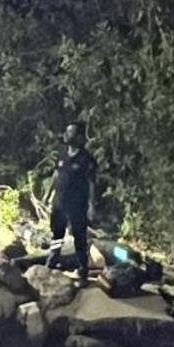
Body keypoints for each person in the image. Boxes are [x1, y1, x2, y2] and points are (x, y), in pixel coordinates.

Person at [47, 121, 98, 286]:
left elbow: (91, 183)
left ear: (79, 137)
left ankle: (83, 271)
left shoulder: (86, 159)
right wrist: (48, 194)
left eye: (70, 133)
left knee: (79, 237)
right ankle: (52, 264)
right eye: (66, 132)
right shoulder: (62, 155)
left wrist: (91, 205)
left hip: (77, 205)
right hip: (59, 202)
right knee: (56, 234)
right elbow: (56, 175)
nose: (66, 135)